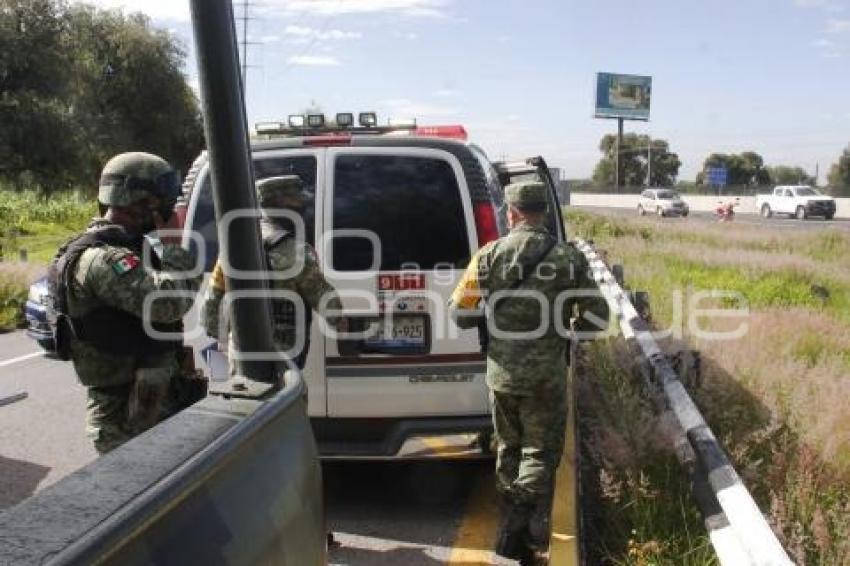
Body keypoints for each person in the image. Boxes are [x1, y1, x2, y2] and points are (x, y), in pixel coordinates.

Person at [448, 181, 603, 564]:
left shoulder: (488, 255)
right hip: (546, 375)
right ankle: (526, 520)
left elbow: (459, 314)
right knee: (539, 450)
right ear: (543, 212)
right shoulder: (568, 257)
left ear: (512, 212)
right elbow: (598, 317)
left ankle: (512, 524)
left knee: (509, 447)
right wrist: (565, 331)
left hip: (501, 374)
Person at [48, 152, 203, 454]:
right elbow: (168, 304)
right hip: (125, 418)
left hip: (149, 403)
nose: (168, 210)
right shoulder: (103, 259)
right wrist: (174, 247)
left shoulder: (129, 247)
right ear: (140, 202)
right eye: (161, 201)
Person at [202, 175, 344, 372]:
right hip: (284, 363)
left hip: (241, 359)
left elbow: (211, 311)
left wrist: (224, 345)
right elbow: (329, 305)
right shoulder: (296, 251)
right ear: (280, 203)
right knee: (287, 403)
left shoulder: (232, 247)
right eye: (296, 201)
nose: (302, 207)